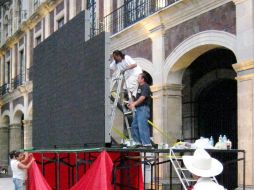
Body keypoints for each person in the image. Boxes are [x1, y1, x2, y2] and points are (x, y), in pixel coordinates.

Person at [128, 73, 152, 147]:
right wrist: (131, 104)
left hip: (143, 108)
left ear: (142, 79)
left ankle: (146, 143)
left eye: (138, 78)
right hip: (139, 109)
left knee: (142, 125)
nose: (137, 79)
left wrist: (134, 104)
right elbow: (138, 99)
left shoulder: (145, 86)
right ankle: (138, 142)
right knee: (134, 125)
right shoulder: (139, 87)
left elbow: (142, 97)